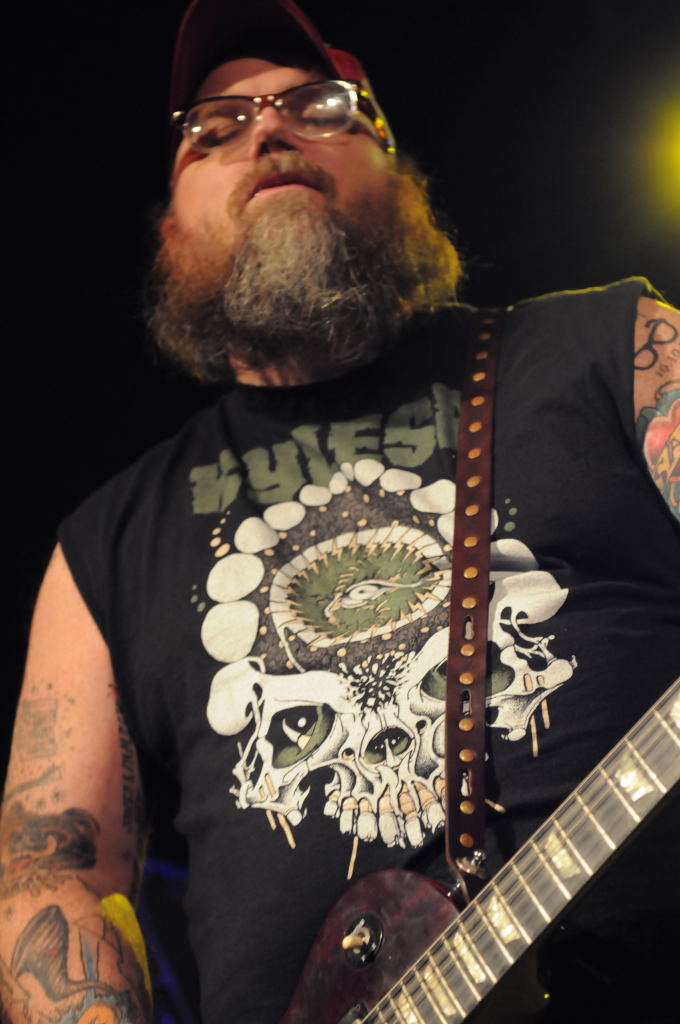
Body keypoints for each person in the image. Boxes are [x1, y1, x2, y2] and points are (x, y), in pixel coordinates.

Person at [1, 1, 678, 1022]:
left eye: (320, 106)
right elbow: (52, 875)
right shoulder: (108, 542)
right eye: (214, 128)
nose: (269, 130)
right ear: (170, 226)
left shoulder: (612, 347)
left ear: (395, 171)